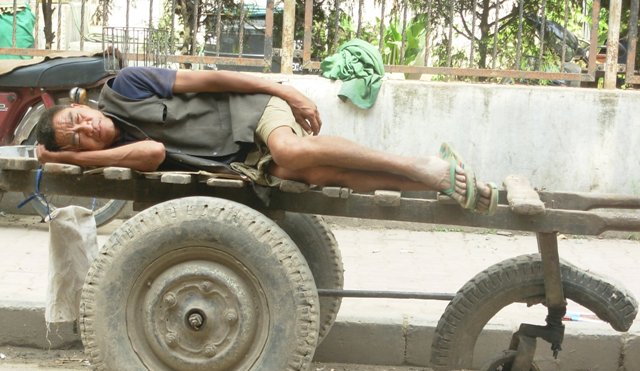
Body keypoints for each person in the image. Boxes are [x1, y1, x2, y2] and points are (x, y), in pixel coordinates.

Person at [35, 66, 497, 213]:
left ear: (84, 104)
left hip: (250, 110)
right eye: (77, 140)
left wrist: (284, 90)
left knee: (290, 149)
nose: (86, 129)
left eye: (78, 119)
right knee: (313, 172)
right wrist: (71, 159)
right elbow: (152, 153)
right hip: (240, 158)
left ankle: (420, 165)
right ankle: (437, 182)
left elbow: (213, 79)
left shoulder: (127, 85)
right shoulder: (119, 152)